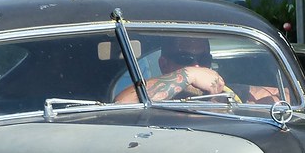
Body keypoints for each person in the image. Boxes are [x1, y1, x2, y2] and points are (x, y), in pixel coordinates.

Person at [114, 37, 287, 104]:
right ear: (164, 64)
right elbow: (123, 103)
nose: (198, 66)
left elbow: (288, 96)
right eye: (185, 59)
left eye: (203, 60)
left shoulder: (227, 93)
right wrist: (189, 74)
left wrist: (271, 101)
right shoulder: (155, 95)